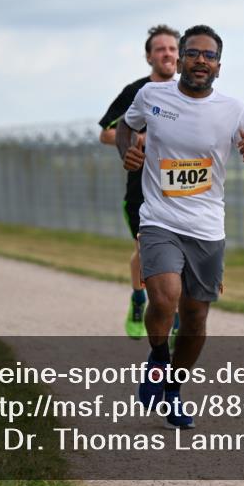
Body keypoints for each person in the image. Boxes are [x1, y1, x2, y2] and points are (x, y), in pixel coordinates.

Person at [117, 24, 244, 428]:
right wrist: (127, 153)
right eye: (193, 53)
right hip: (159, 218)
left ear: (219, 66)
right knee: (165, 298)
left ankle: (173, 389)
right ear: (182, 58)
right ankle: (158, 359)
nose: (201, 60)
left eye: (210, 55)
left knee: (196, 318)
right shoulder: (152, 95)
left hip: (206, 227)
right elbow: (126, 126)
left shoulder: (234, 109)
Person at [99, 25, 180, 340]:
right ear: (149, 57)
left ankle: (173, 315)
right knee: (146, 250)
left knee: (179, 252)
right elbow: (107, 133)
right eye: (160, 49)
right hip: (142, 189)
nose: (167, 54)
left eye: (172, 48)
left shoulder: (188, 92)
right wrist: (138, 138)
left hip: (179, 188)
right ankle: (138, 299)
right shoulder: (136, 91)